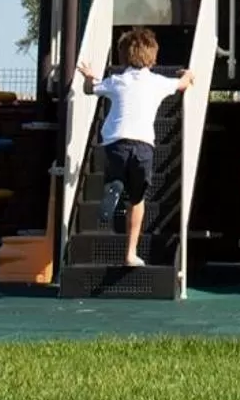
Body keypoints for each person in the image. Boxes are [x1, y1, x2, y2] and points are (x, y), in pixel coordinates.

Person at [77, 27, 193, 268]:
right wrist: (189, 74)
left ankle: (114, 183)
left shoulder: (116, 81)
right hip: (143, 146)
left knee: (116, 175)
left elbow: (90, 90)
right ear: (153, 56)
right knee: (138, 199)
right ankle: (130, 254)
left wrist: (89, 77)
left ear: (123, 56)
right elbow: (182, 85)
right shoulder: (159, 82)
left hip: (115, 143)